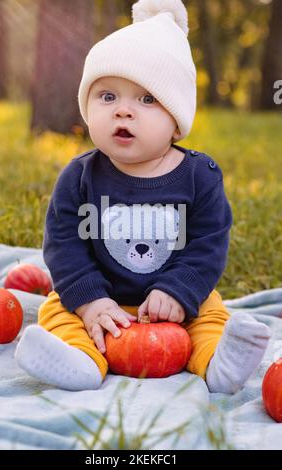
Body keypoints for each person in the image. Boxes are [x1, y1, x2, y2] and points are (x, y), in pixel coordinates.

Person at [15, 0, 271, 393]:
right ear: (87, 108)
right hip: (102, 297)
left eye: (147, 99)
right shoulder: (79, 177)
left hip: (175, 303)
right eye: (107, 97)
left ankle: (220, 363)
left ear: (176, 121)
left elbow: (207, 246)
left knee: (210, 314)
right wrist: (90, 301)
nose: (124, 112)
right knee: (56, 308)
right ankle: (79, 360)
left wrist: (177, 290)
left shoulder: (200, 178)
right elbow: (64, 245)